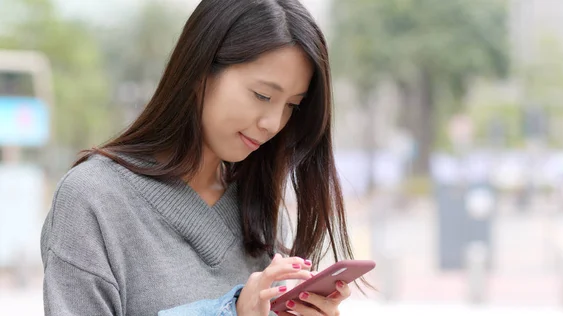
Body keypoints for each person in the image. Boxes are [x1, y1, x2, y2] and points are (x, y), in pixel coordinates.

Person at [40, 0, 363, 315]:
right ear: (200, 71)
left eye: (292, 105)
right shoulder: (93, 198)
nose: (273, 123)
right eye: (262, 95)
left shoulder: (261, 210)